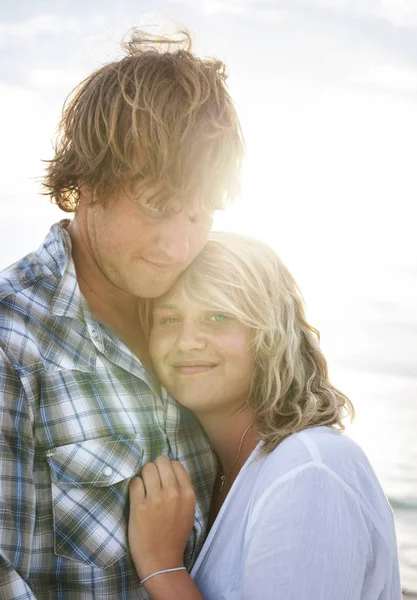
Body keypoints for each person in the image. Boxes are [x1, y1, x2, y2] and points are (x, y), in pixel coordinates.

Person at [0, 30, 244, 599]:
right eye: (158, 207)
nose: (178, 245)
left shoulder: (200, 328)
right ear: (86, 180)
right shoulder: (12, 343)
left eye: (199, 215)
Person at [128, 232, 402, 600]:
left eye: (218, 316)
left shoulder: (309, 470)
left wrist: (162, 566)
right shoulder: (222, 467)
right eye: (170, 319)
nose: (187, 341)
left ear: (271, 336)